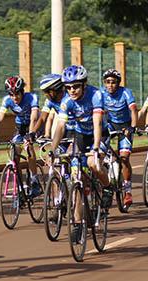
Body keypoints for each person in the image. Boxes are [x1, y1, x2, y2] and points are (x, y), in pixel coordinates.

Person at [50, 65, 113, 213]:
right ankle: (78, 223)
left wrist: (96, 148)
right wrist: (53, 149)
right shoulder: (67, 101)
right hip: (81, 135)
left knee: (93, 163)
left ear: (84, 84)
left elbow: (97, 122)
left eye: (76, 86)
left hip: (99, 134)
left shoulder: (95, 95)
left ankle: (108, 187)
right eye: (68, 87)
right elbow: (60, 126)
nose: (72, 90)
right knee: (75, 174)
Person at [0, 76, 42, 196]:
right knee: (14, 153)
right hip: (19, 128)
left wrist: (30, 135)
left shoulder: (31, 98)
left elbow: (34, 117)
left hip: (33, 126)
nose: (14, 98)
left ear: (22, 91)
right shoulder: (7, 100)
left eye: (17, 94)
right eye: (11, 94)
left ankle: (35, 180)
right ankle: (20, 184)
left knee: (28, 148)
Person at [100, 68, 137, 209]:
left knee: (124, 158)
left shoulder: (126, 93)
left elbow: (133, 110)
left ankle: (127, 190)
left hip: (124, 126)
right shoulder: (101, 94)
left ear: (118, 83)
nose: (110, 85)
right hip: (109, 125)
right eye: (107, 82)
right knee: (99, 155)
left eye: (113, 82)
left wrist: (132, 127)